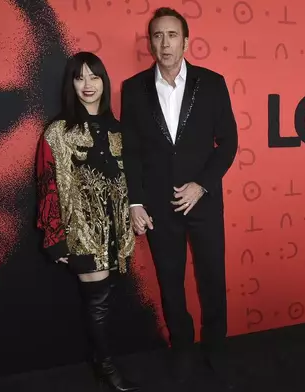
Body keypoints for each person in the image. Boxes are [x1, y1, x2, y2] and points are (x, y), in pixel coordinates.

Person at [119, 6, 238, 384]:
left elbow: (229, 142)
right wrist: (135, 201)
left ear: (186, 41)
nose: (164, 43)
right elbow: (131, 151)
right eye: (157, 35)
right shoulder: (133, 88)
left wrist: (201, 184)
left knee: (211, 279)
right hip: (157, 206)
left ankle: (216, 349)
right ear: (150, 42)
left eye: (172, 35)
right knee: (170, 281)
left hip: (202, 200)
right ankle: (182, 348)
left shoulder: (213, 82)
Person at [36, 51, 141, 391]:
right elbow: (47, 184)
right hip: (81, 232)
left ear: (103, 81)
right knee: (97, 302)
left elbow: (132, 179)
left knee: (108, 299)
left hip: (117, 231)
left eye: (93, 77)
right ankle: (107, 369)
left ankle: (99, 360)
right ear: (71, 83)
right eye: (79, 77)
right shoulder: (58, 132)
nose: (87, 85)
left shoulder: (119, 129)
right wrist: (55, 237)